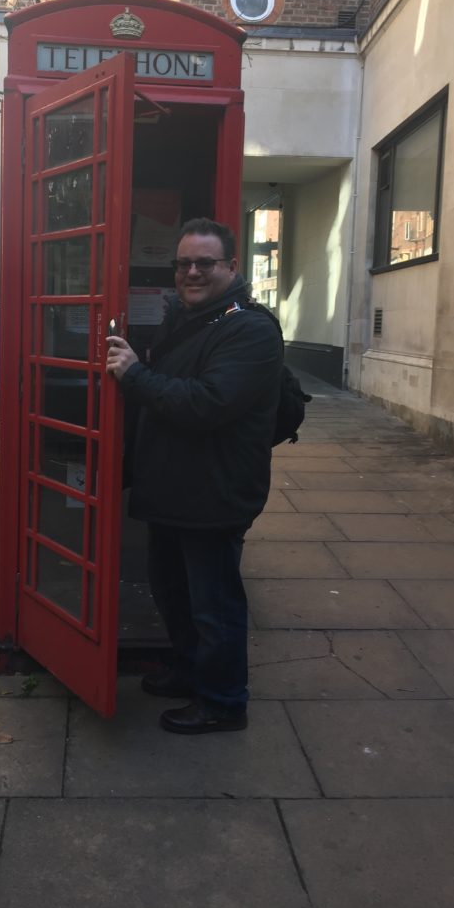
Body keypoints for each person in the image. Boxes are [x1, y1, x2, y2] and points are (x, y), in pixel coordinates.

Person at [106, 217, 283, 734]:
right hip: (174, 488)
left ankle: (224, 702)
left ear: (231, 266)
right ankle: (189, 671)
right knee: (173, 592)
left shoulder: (248, 329)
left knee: (214, 605)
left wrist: (135, 375)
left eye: (204, 263)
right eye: (183, 263)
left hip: (214, 491)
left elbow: (209, 404)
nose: (192, 272)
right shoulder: (192, 318)